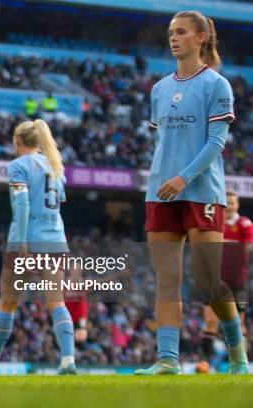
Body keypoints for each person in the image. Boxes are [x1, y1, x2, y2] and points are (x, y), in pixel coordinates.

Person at [136, 11, 248, 375]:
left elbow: (216, 142)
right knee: (167, 279)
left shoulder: (216, 84)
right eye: (171, 32)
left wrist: (183, 178)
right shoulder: (159, 88)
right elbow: (162, 142)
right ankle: (168, 359)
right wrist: (161, 181)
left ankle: (238, 354)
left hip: (201, 192)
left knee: (208, 282)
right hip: (160, 193)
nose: (173, 38)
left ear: (201, 38)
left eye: (181, 32)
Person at [0, 119, 77, 375]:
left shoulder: (17, 166)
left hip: (25, 242)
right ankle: (68, 360)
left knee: (8, 304)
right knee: (57, 303)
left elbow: (23, 202)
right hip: (55, 240)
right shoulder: (55, 167)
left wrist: (23, 240)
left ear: (17, 141)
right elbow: (58, 203)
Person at [200, 189, 252, 366]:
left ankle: (240, 361)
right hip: (214, 279)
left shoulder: (245, 224)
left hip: (238, 280)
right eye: (226, 202)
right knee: (210, 320)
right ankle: (205, 363)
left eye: (232, 202)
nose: (229, 205)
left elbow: (249, 248)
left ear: (238, 205)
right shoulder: (214, 224)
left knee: (239, 323)